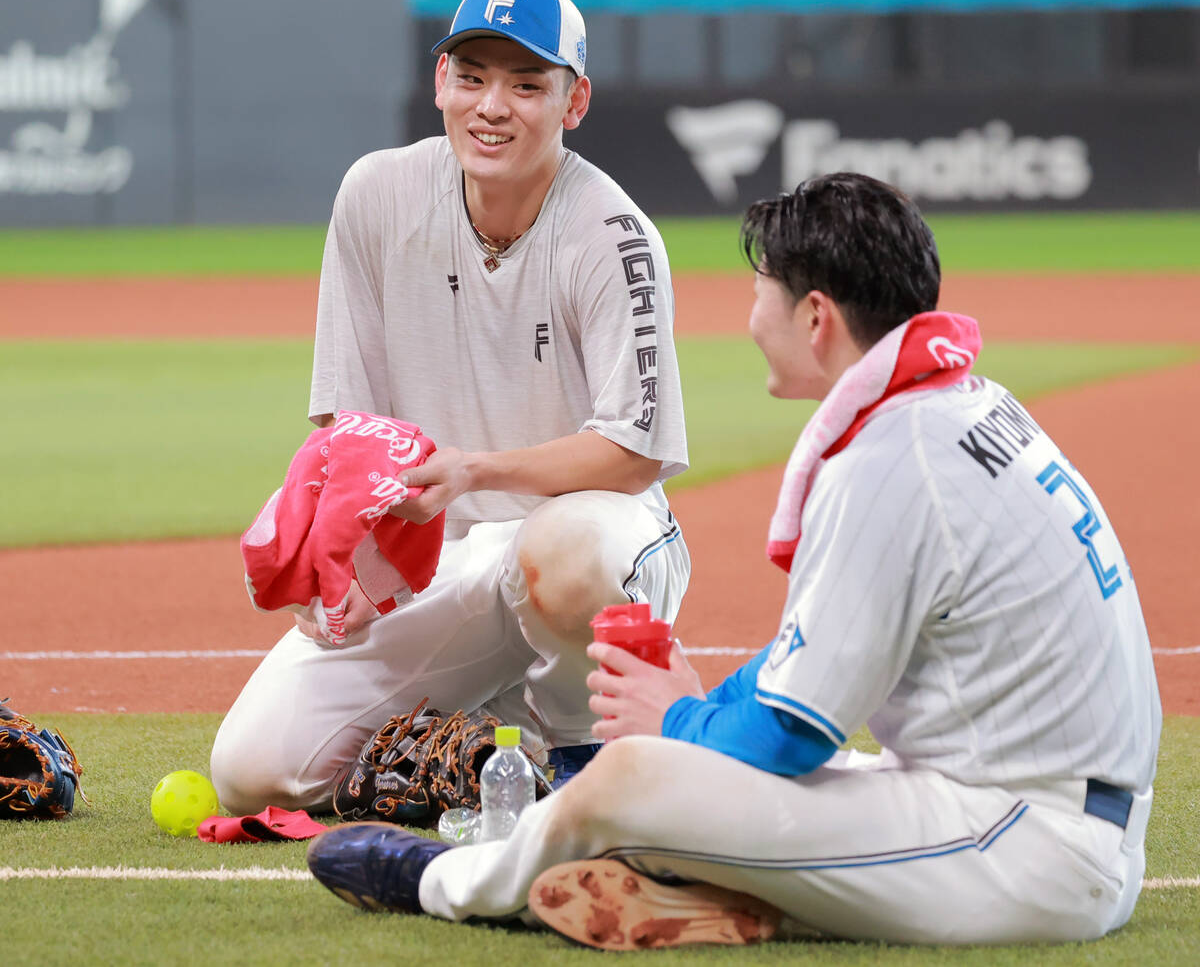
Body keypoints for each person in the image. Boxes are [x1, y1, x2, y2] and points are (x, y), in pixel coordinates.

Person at [306, 172, 1161, 950]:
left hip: (1026, 847)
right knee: (701, 763)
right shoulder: (961, 406)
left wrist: (679, 722)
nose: (751, 315)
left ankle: (450, 882)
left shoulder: (893, 461)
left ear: (815, 317)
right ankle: (702, 893)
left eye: (761, 292)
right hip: (1042, 810)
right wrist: (701, 714)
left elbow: (793, 731)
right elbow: (803, 666)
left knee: (633, 777)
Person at [210, 0, 690, 812]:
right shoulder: (376, 196)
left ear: (574, 101)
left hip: (592, 546)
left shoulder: (613, 236)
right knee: (252, 773)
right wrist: (345, 560)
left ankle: (580, 766)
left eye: (526, 85)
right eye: (471, 77)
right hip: (439, 563)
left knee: (569, 549)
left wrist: (475, 470)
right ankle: (488, 730)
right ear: (441, 82)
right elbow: (353, 432)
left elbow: (631, 454)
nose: (491, 106)